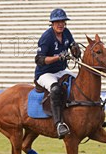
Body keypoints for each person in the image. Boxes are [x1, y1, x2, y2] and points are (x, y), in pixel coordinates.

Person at [34, 9, 81, 139]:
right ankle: (59, 123)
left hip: (61, 70)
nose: (60, 24)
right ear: (52, 23)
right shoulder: (46, 37)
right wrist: (57, 58)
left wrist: (76, 50)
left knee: (81, 83)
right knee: (55, 89)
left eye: (62, 21)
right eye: (57, 22)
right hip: (45, 73)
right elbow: (39, 60)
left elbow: (73, 48)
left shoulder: (66, 33)